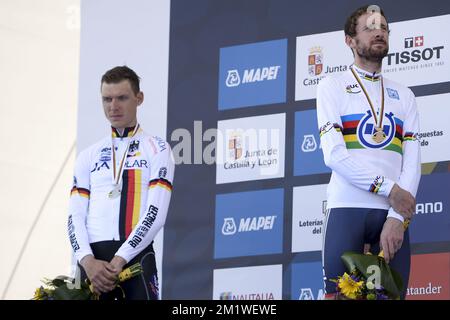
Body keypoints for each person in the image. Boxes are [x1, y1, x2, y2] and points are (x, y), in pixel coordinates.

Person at [317, 5, 421, 299]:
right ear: (349, 40)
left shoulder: (406, 96)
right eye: (370, 27)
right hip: (346, 208)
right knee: (339, 297)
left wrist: (397, 218)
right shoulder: (331, 86)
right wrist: (390, 189)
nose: (379, 33)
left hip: (390, 214)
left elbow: (411, 164)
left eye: (384, 28)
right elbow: (334, 156)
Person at [67, 66, 175, 300]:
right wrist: (87, 262)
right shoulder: (88, 155)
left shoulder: (157, 148)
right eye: (107, 99)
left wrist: (120, 259)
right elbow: (74, 217)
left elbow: (155, 213)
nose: (113, 106)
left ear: (139, 98)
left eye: (122, 98)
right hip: (91, 266)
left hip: (135, 258)